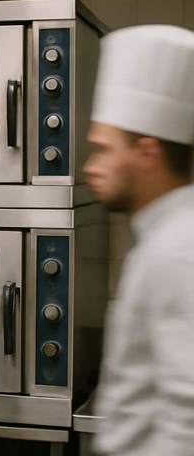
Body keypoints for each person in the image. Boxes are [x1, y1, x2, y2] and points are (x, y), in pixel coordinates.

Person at [83, 25, 194, 455]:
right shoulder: (165, 237)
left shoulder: (177, 252)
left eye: (104, 149)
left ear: (148, 153)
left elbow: (186, 423)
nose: (92, 166)